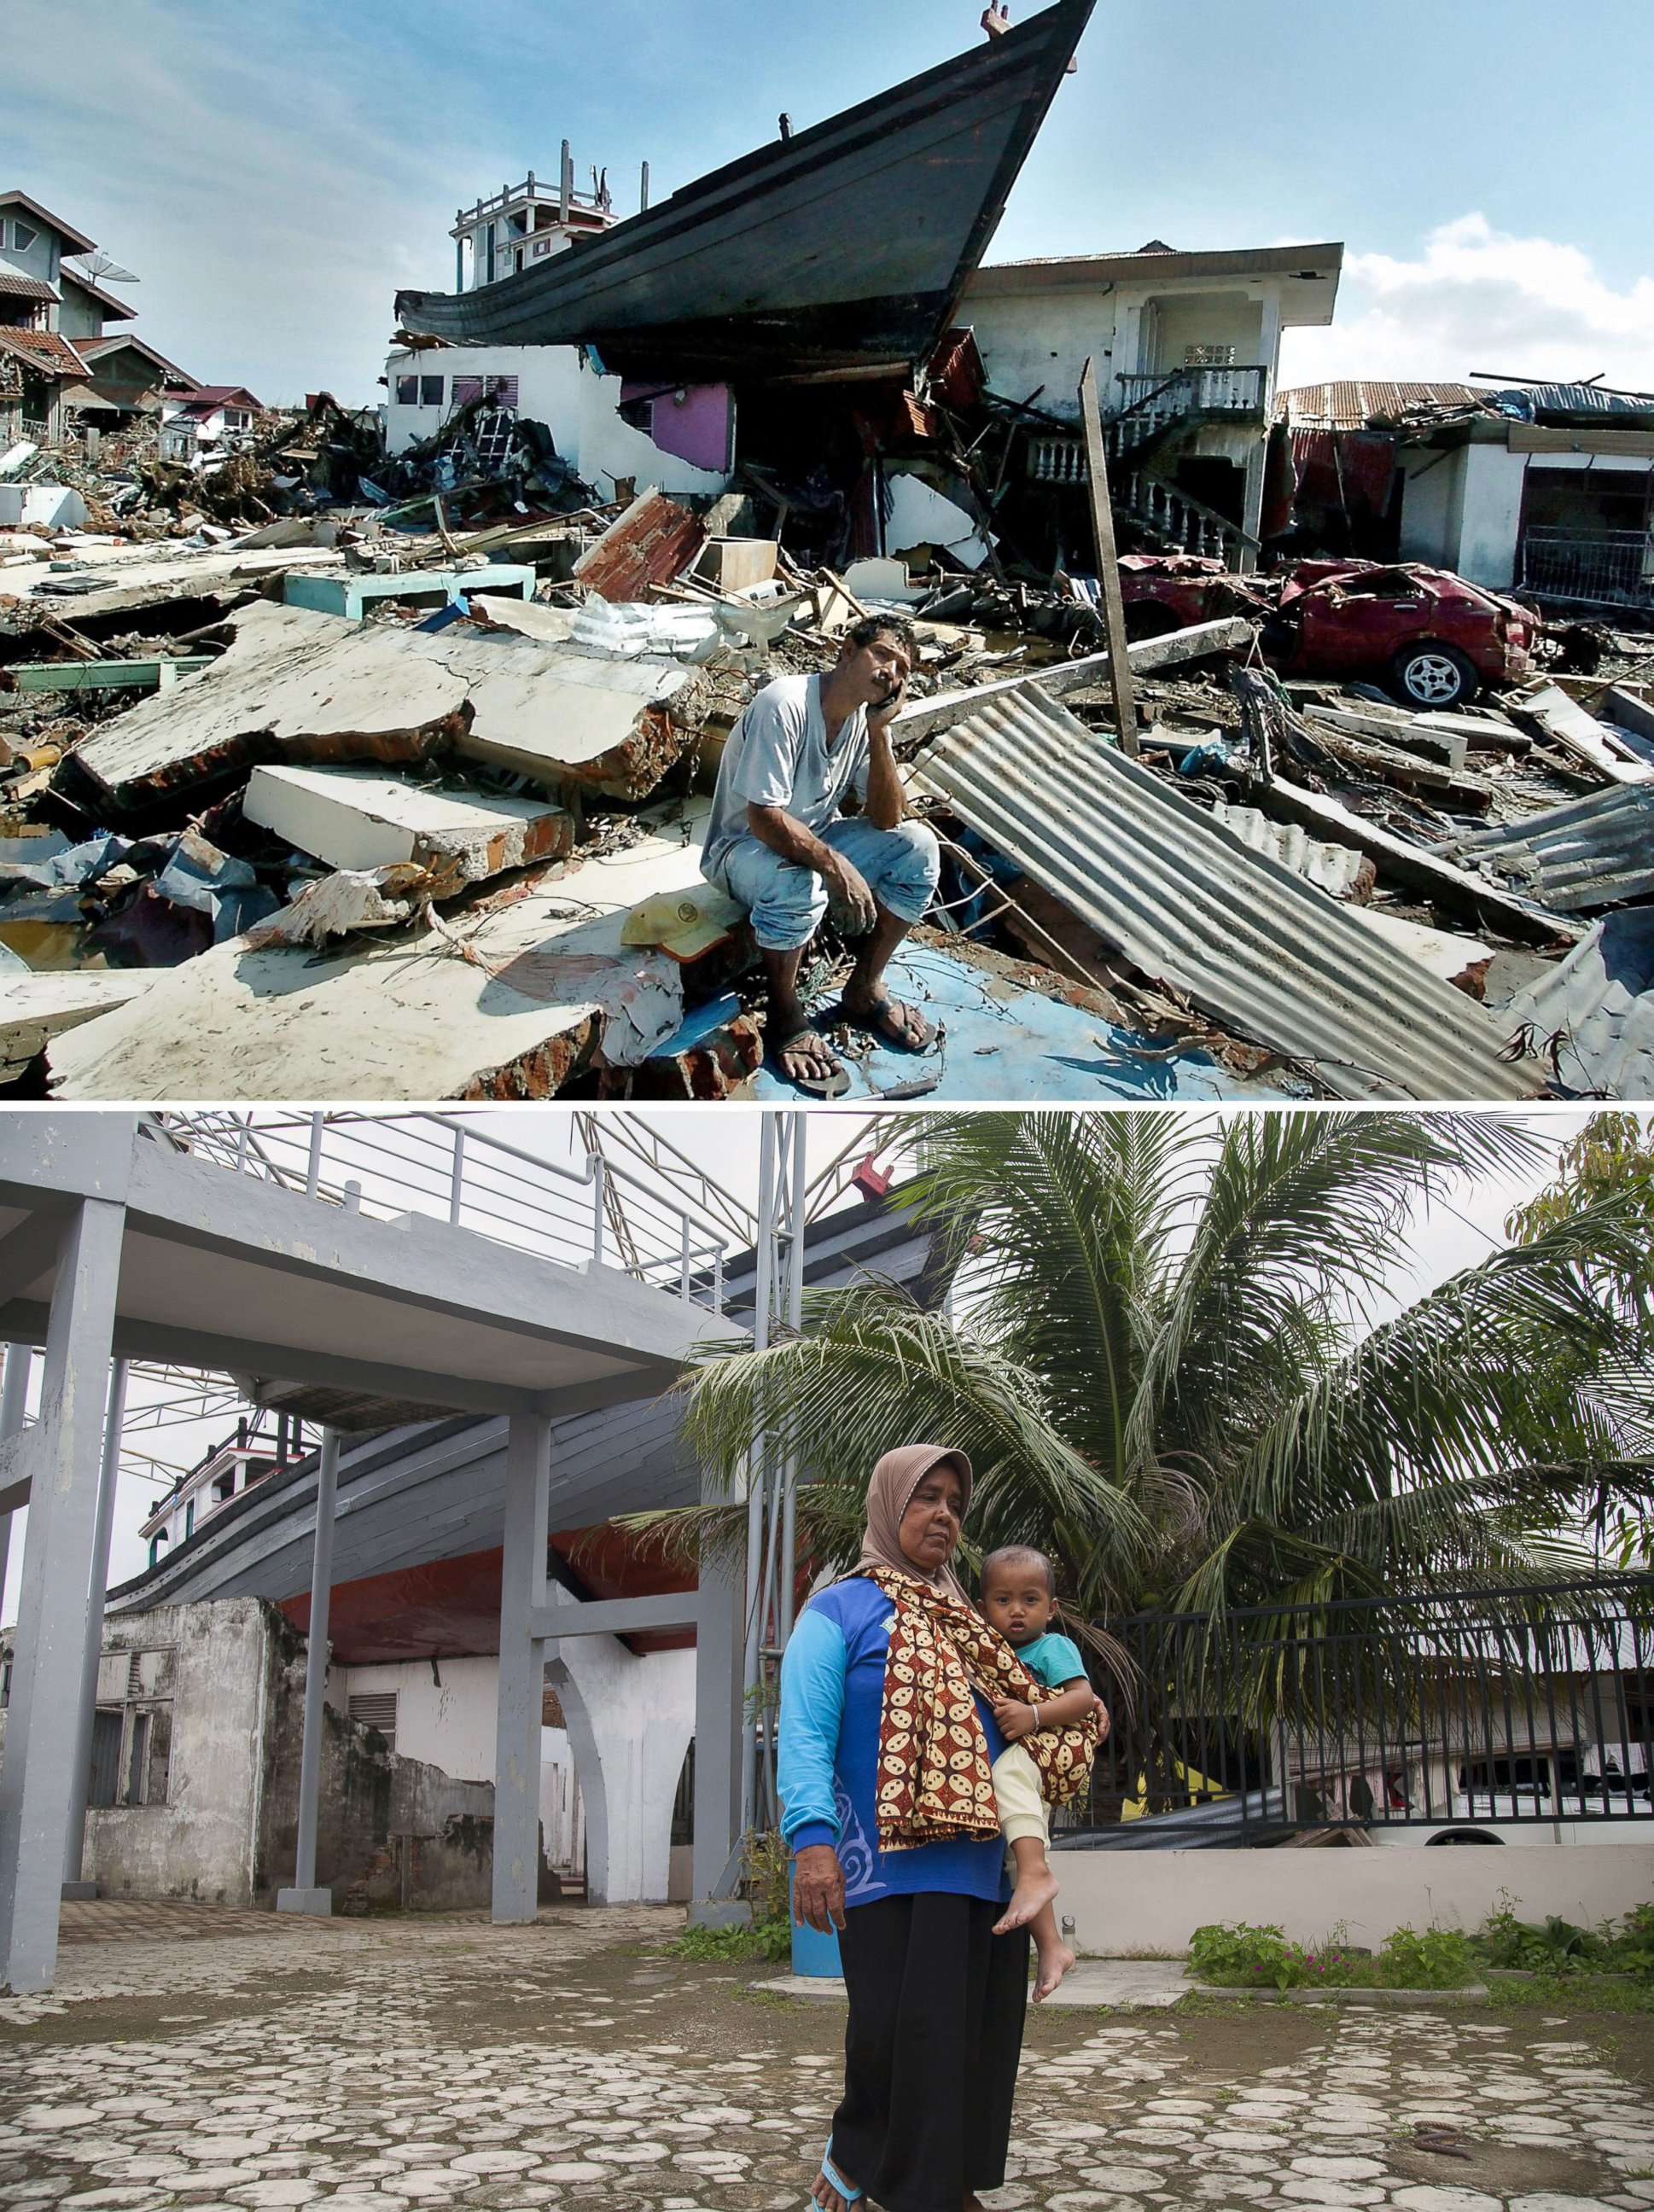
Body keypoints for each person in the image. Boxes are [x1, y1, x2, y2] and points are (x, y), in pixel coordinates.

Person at [778, 1445, 1103, 2212]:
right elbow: (804, 1733)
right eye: (926, 1497)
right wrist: (812, 1841)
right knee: (898, 2037)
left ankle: (945, 2186)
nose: (944, 1514)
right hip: (886, 1865)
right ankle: (866, 2159)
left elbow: (1033, 1703)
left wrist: (1082, 1718)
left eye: (955, 1502)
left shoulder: (973, 1617)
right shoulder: (841, 1609)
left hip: (984, 1869)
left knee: (973, 2045)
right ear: (890, 1506)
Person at [699, 616, 942, 1097]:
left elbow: (887, 818)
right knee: (800, 883)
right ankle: (786, 1014)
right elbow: (763, 817)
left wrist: (880, 734)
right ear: (847, 650)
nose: (890, 672)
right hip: (739, 849)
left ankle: (864, 987)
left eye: (901, 668)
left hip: (812, 836)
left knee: (920, 848)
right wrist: (834, 865)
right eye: (882, 655)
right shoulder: (785, 704)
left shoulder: (859, 719)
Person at [978, 1543, 1101, 2002]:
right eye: (1003, 1600)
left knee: (1006, 1777)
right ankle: (1051, 1948)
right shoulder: (987, 1652)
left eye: (1030, 1600)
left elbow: (1083, 1699)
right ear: (982, 1607)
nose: (1016, 1611)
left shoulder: (1054, 1646)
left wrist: (1032, 1716)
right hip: (1032, 1760)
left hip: (1054, 1745)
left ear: (1051, 1609)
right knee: (1015, 1851)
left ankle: (1038, 1873)